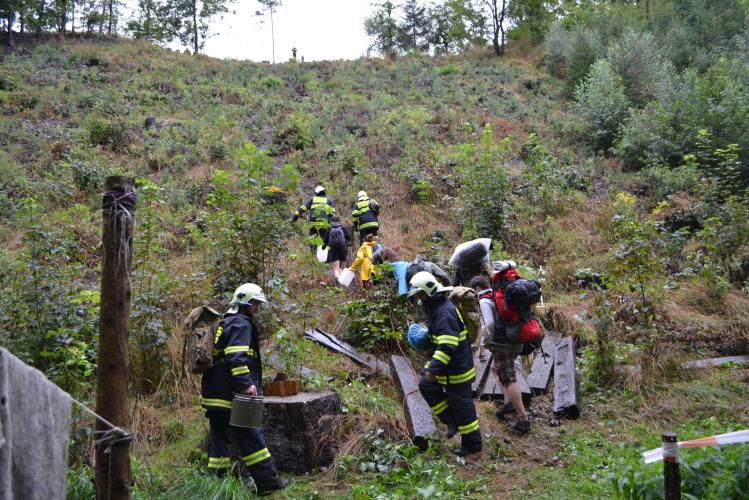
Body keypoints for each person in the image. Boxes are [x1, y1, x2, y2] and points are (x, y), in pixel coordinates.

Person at [200, 283, 289, 494]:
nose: (257, 308)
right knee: (251, 435)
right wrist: (247, 385)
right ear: (245, 304)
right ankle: (268, 484)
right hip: (233, 394)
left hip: (214, 393)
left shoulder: (227, 322)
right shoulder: (241, 324)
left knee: (219, 441)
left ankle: (216, 484)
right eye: (255, 304)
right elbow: (236, 358)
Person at [408, 271, 482, 457]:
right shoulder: (438, 307)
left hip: (457, 369)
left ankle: (473, 444)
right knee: (426, 386)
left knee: (463, 407)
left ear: (428, 292)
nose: (418, 299)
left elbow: (448, 346)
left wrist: (432, 369)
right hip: (450, 367)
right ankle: (451, 421)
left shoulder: (443, 313)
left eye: (419, 294)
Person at [482, 261, 531, 435]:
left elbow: (489, 324)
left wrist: (485, 341)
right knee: (497, 370)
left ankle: (523, 418)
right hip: (517, 338)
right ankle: (507, 402)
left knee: (509, 378)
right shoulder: (515, 287)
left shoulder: (494, 296)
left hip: (503, 343)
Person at [468, 276, 491, 362]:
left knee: (480, 325)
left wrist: (484, 345)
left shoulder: (483, 301)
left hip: (494, 342)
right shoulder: (493, 294)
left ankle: (482, 352)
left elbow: (485, 325)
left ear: (477, 288)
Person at [323, 215, 349, 280]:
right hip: (343, 248)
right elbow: (349, 238)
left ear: (331, 221)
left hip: (333, 248)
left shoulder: (330, 228)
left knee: (335, 269)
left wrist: (323, 248)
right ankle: (342, 284)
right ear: (339, 221)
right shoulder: (342, 227)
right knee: (340, 268)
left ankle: (338, 286)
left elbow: (325, 240)